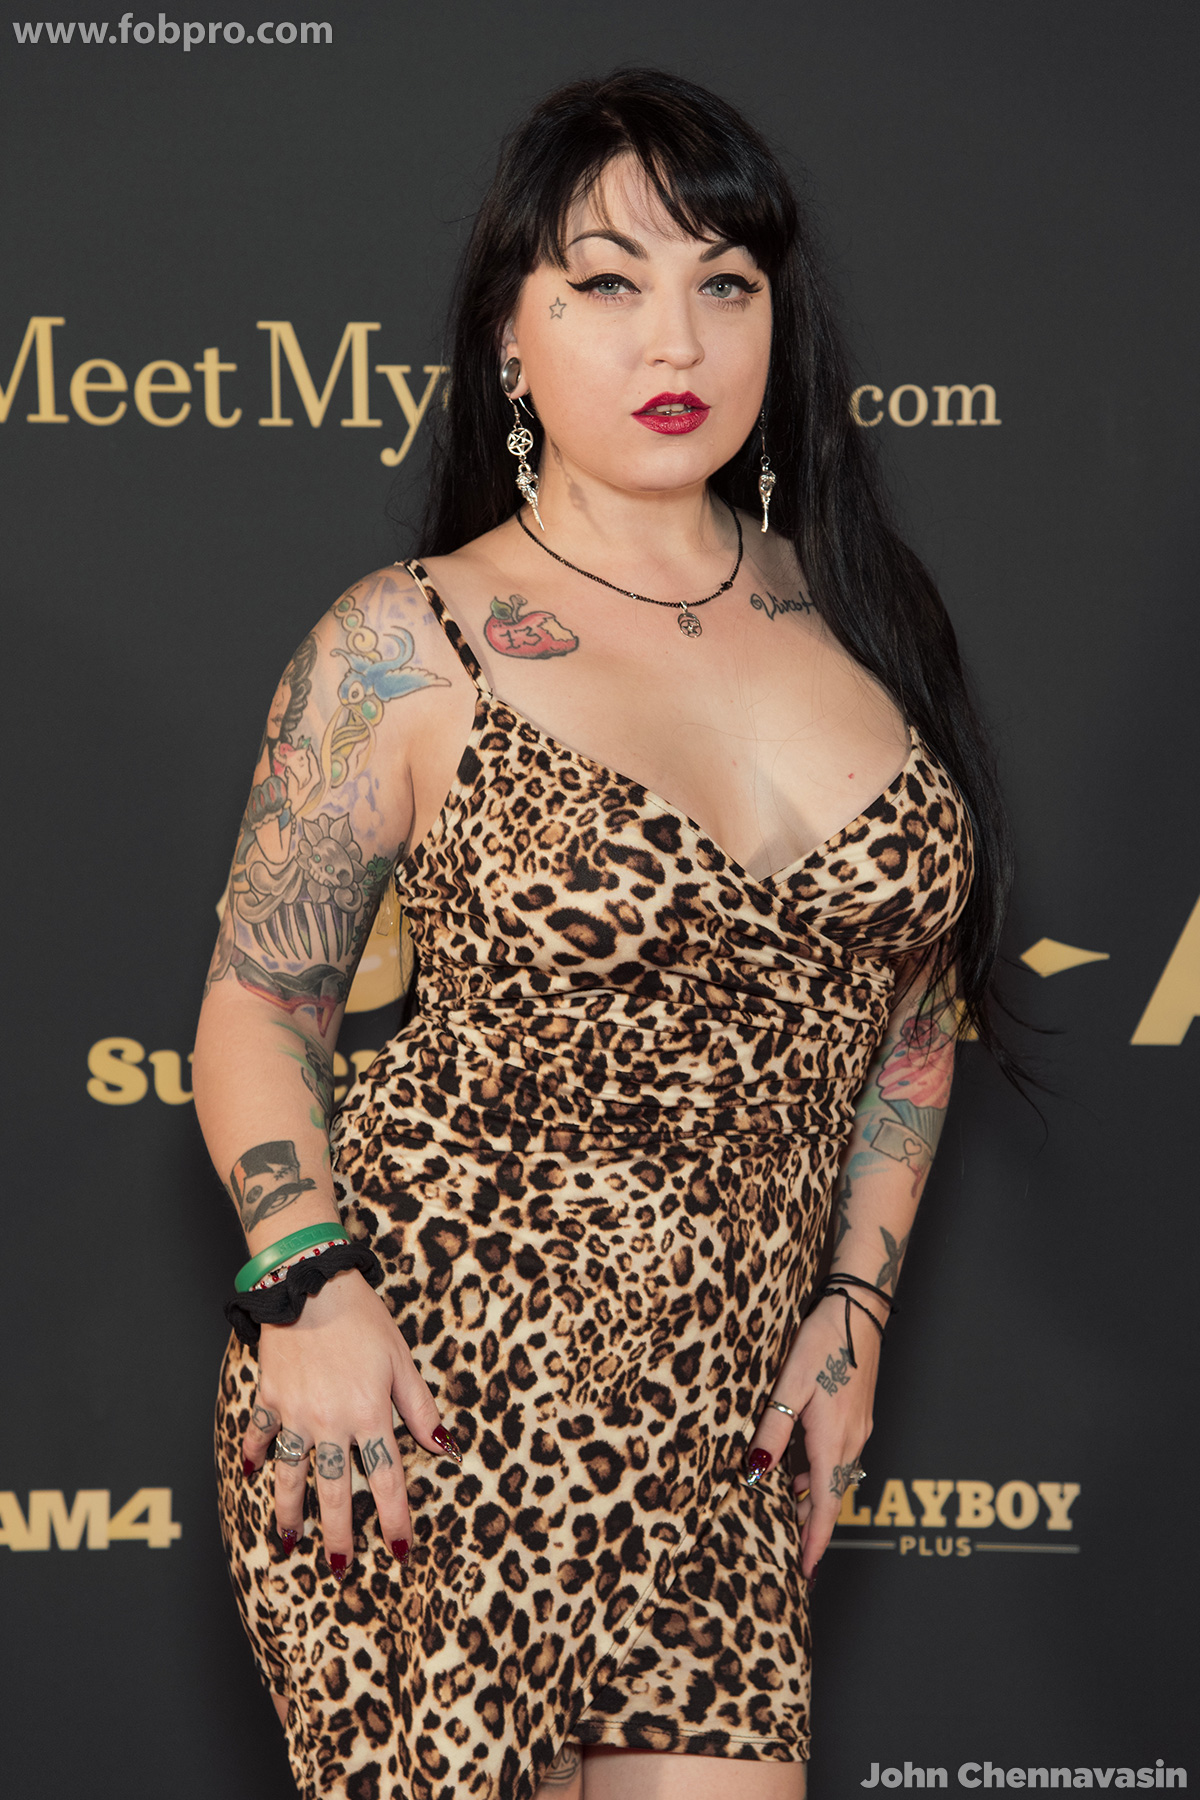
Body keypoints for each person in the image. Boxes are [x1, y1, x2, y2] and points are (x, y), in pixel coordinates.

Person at [193, 67, 1008, 1800]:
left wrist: (856, 1303)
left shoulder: (863, 606)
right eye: (610, 283)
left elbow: (915, 1000)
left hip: (721, 1433)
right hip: (441, 1396)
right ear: (510, 332)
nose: (679, 341)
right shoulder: (407, 643)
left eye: (728, 283)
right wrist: (306, 1289)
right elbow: (260, 1007)